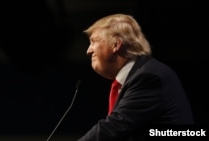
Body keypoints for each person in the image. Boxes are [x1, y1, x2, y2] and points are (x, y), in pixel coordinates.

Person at [77, 13, 194, 141]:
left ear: (116, 45)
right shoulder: (134, 77)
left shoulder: (148, 77)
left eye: (93, 41)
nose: (88, 51)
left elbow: (115, 126)